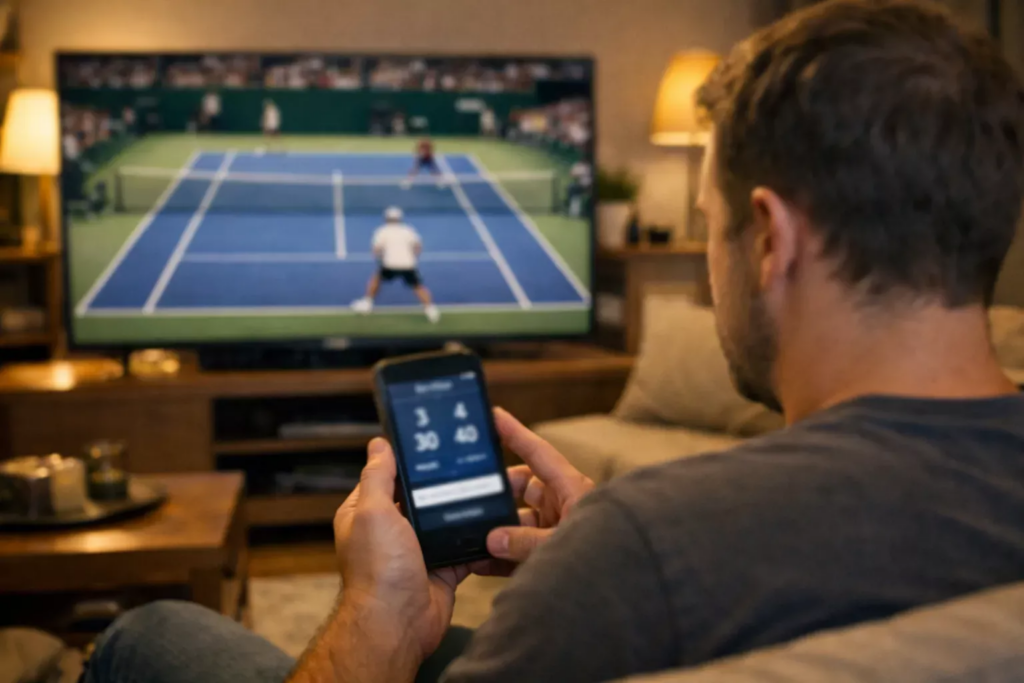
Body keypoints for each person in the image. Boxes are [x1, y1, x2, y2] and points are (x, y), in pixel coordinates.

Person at [79, 1, 1024, 682]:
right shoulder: (633, 555)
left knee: (150, 634)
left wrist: (377, 618)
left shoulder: (645, 551)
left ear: (770, 237)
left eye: (709, 225)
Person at [351, 206, 440, 324]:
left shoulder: (382, 231)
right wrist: (412, 257)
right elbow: (418, 248)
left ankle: (367, 303)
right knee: (418, 287)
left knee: (376, 279)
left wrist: (380, 257)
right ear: (399, 218)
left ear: (386, 218)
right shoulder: (408, 230)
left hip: (389, 264)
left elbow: (376, 250)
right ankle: (431, 310)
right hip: (408, 264)